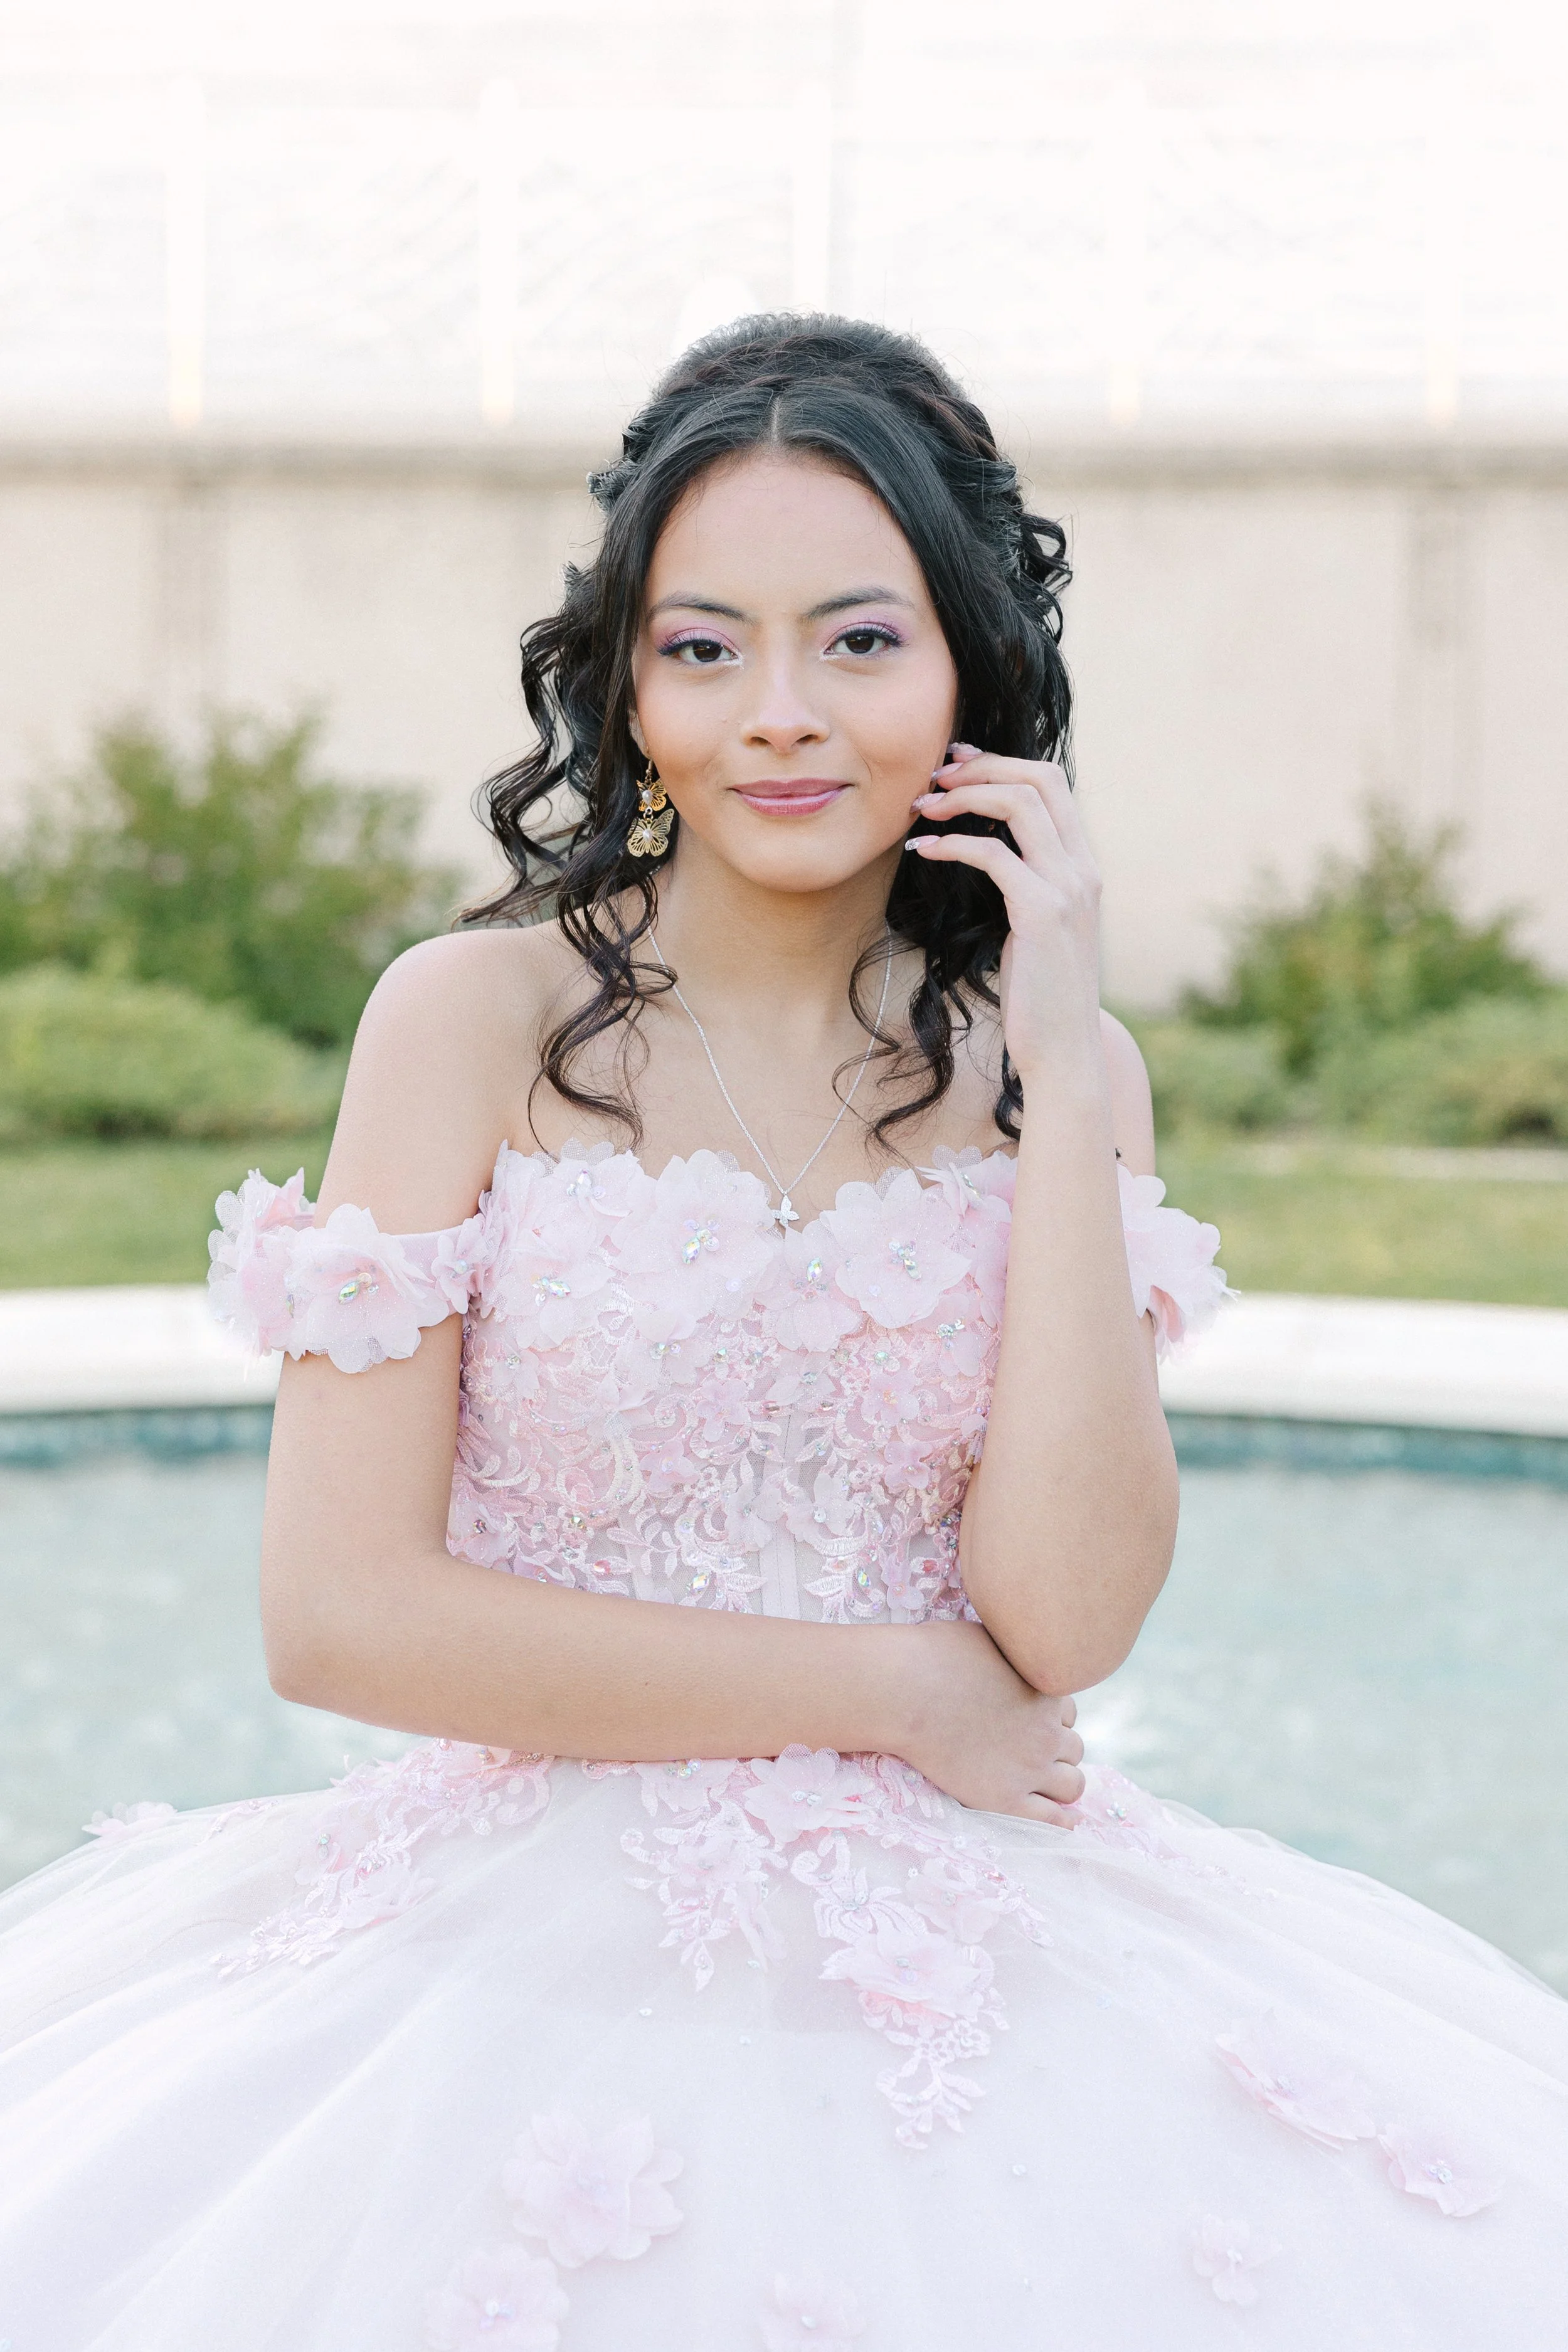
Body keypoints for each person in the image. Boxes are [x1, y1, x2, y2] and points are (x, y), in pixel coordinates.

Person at [1, 316, 1564, 2351]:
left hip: (974, 1949)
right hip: (512, 1952)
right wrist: (890, 1692)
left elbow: (1068, 1620)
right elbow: (338, 1613)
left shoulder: (1060, 1068)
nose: (779, 715)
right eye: (702, 645)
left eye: (855, 638)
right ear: (627, 686)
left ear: (967, 672)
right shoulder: (464, 1025)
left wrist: (1069, 1068)